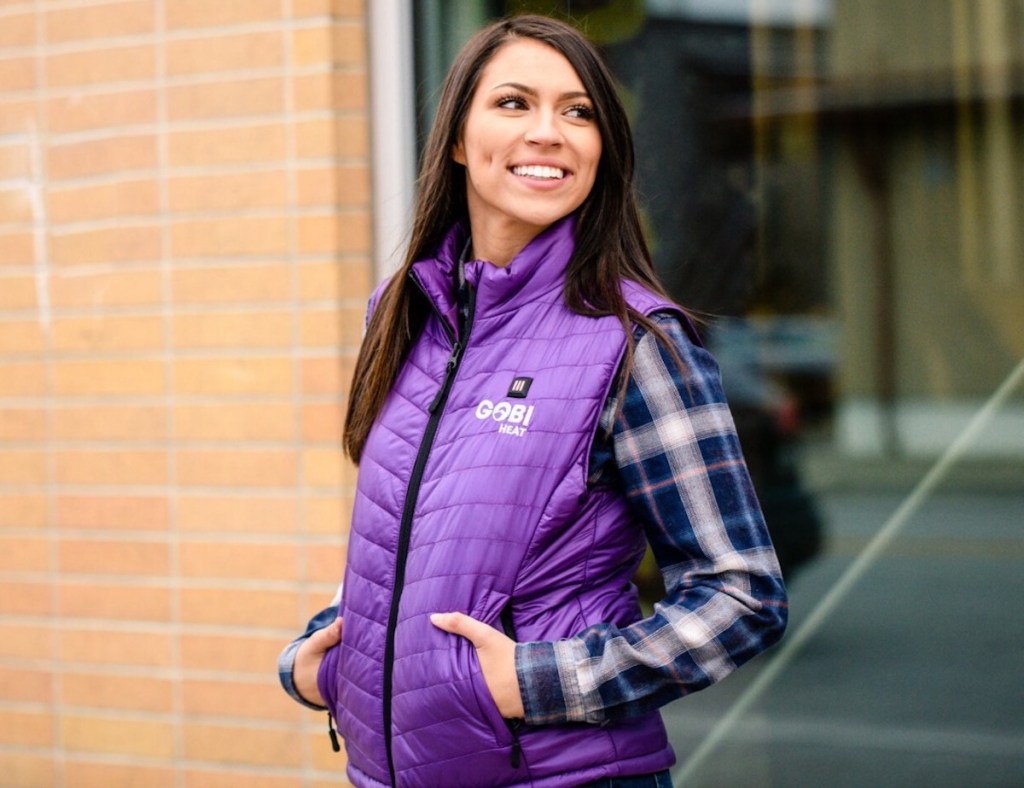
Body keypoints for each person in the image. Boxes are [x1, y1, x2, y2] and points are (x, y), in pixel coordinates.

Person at [279, 14, 787, 787]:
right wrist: (329, 652)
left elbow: (741, 593)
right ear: (456, 137)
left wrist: (545, 682)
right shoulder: (405, 316)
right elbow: (417, 542)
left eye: (578, 112)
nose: (549, 131)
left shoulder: (634, 341)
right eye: (514, 103)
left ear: (602, 151)